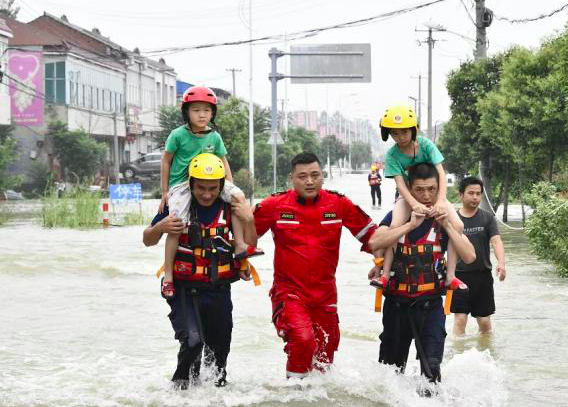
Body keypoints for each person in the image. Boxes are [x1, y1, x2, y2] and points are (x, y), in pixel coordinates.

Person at [253, 152, 378, 378]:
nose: (309, 181)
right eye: (302, 176)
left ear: (323, 176)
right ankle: (294, 396)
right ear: (292, 178)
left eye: (315, 175)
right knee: (303, 340)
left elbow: (373, 237)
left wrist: (382, 261)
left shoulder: (339, 204)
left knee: (324, 358)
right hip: (289, 292)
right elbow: (243, 235)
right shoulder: (274, 205)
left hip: (326, 296)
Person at [143, 153, 259, 389]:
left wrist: (249, 220)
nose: (207, 194)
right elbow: (147, 240)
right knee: (193, 342)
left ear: (221, 186)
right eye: (201, 188)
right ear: (191, 184)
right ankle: (178, 394)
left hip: (218, 289)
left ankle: (214, 395)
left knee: (220, 349)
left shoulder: (231, 205)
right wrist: (160, 227)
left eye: (213, 189)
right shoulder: (177, 205)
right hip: (183, 289)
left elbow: (249, 242)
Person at [368, 162, 475, 391]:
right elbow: (375, 243)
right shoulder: (398, 215)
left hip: (431, 307)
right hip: (397, 306)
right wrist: (409, 226)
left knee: (431, 372)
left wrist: (446, 224)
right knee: (391, 371)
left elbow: (470, 256)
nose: (426, 196)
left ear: (440, 189)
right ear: (409, 189)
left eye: (432, 189)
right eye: (419, 190)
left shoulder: (445, 218)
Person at [158, 86, 261, 300]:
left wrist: (229, 189)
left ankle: (240, 244)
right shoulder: (177, 135)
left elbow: (224, 162)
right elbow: (166, 160)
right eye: (196, 110)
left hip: (213, 181)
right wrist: (165, 191)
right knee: (176, 224)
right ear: (187, 112)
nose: (202, 114)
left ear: (212, 113)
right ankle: (168, 276)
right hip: (183, 185)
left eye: (206, 110)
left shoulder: (214, 137)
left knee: (238, 198)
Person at [373, 105, 462, 288]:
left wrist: (440, 201)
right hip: (406, 196)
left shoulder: (427, 145)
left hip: (435, 194)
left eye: (404, 132)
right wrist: (414, 204)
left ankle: (450, 275)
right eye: (395, 134)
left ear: (413, 130)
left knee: (459, 226)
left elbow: (441, 174)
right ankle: (385, 274)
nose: (400, 137)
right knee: (395, 226)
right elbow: (400, 185)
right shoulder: (391, 155)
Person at [451, 176, 506, 336]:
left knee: (484, 321)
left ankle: (487, 355)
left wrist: (501, 263)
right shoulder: (452, 219)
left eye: (478, 193)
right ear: (461, 195)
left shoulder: (487, 218)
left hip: (482, 276)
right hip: (458, 277)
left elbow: (496, 241)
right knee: (460, 319)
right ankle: (458, 356)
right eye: (471, 193)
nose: (475, 197)